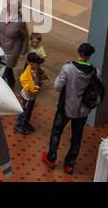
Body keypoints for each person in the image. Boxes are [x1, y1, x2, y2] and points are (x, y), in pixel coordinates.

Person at [43, 42, 104, 174]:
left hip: (65, 108)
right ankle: (69, 164)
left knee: (56, 133)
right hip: (83, 111)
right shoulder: (94, 72)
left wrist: (66, 69)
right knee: (76, 137)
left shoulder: (68, 68)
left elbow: (57, 87)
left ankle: (51, 158)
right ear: (90, 56)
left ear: (79, 52)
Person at [0, 3, 28, 88]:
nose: (8, 9)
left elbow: (25, 36)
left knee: (7, 68)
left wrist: (23, 51)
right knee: (1, 65)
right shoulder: (4, 12)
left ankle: (11, 84)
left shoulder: (20, 22)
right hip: (2, 43)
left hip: (13, 49)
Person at [15, 52, 46, 134]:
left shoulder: (35, 68)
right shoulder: (26, 75)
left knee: (30, 109)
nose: (39, 64)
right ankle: (18, 125)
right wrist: (36, 87)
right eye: (37, 63)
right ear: (31, 63)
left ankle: (25, 122)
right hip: (27, 96)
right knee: (24, 109)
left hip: (33, 95)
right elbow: (28, 88)